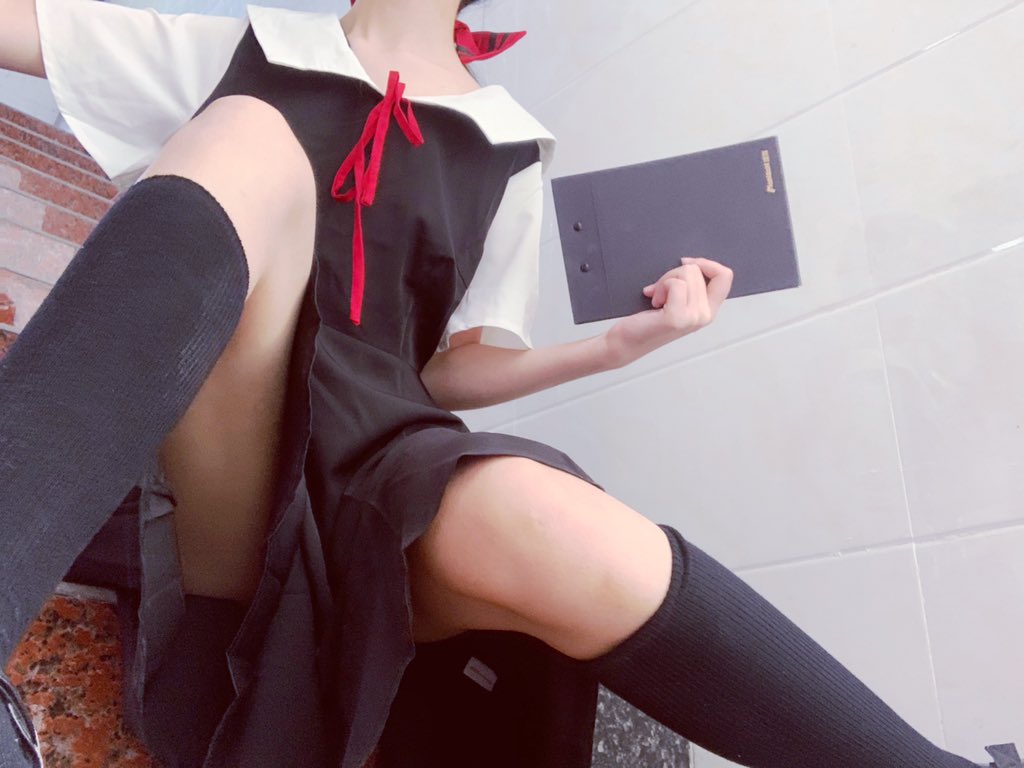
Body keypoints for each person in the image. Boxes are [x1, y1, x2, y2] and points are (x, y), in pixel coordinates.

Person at [0, 0, 998, 766]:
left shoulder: (509, 145)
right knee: (248, 134)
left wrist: (615, 348)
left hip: (378, 462)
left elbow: (448, 368)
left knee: (542, 508)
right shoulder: (244, 49)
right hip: (235, 448)